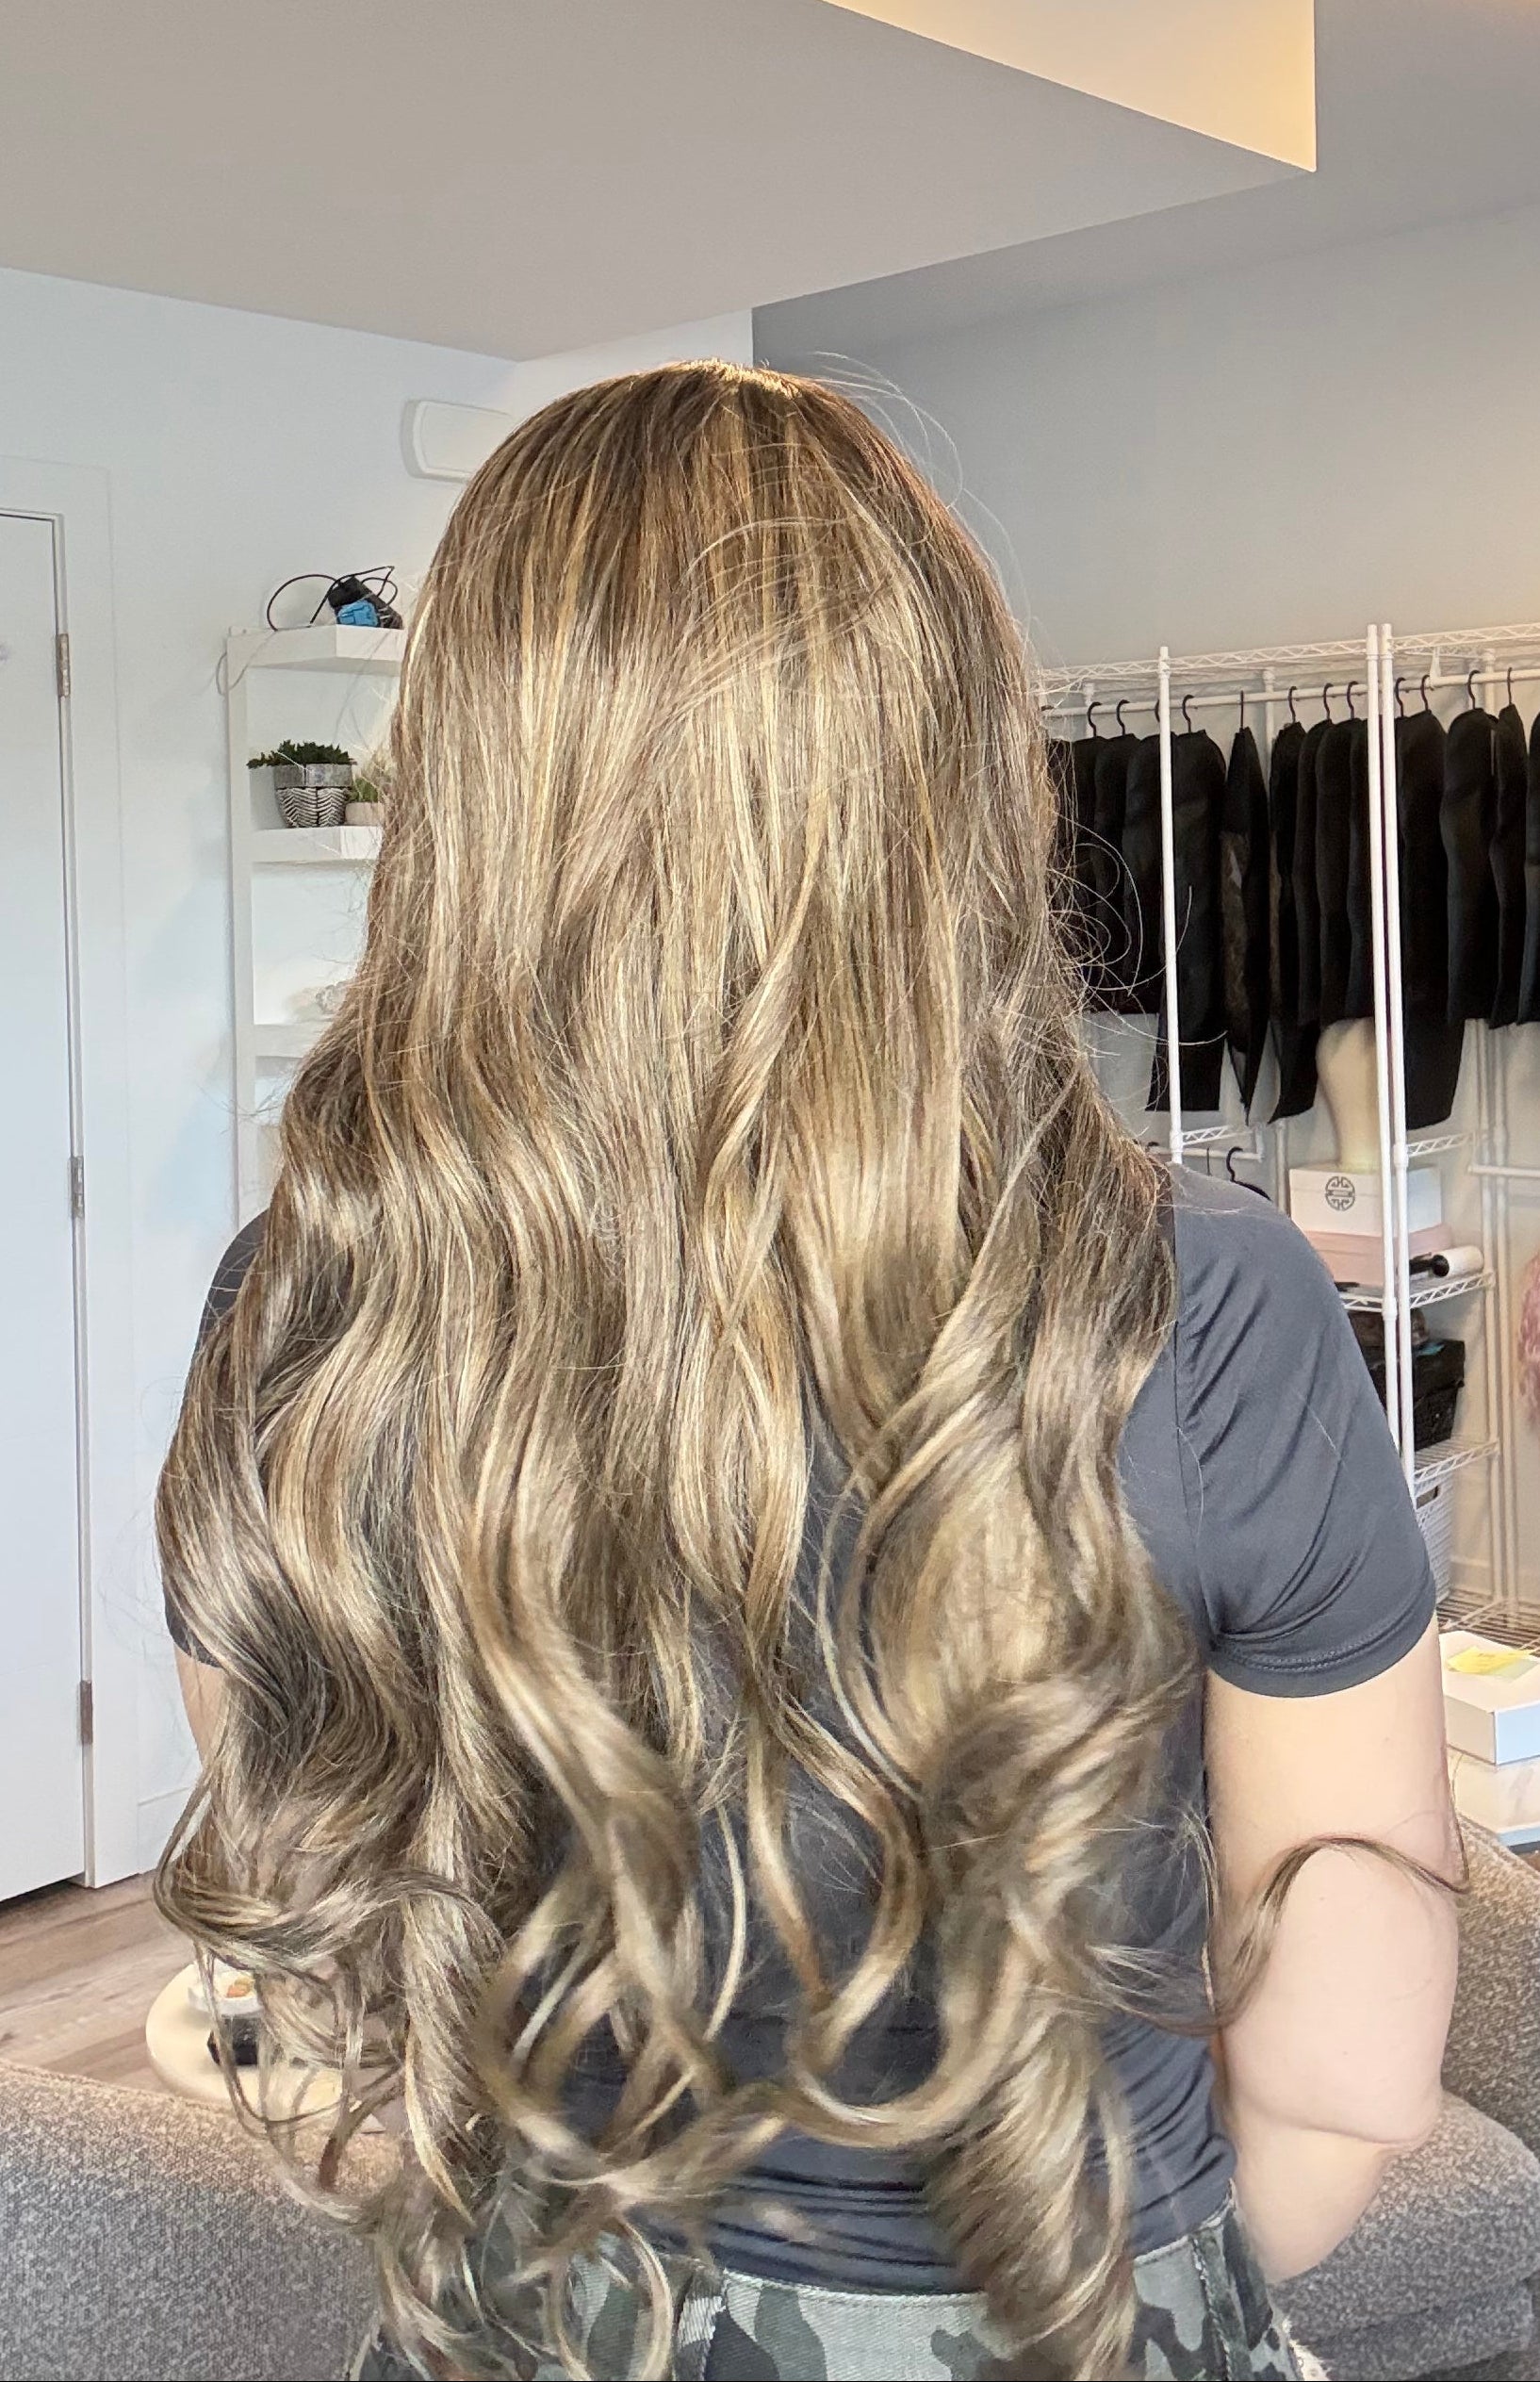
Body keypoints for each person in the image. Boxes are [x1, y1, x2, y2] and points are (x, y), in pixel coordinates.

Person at [158, 364, 1461, 2382]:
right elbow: (1352, 2064)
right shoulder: (1198, 1307)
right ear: (952, 768)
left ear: (472, 781)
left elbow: (326, 1960)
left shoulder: (301, 1306)